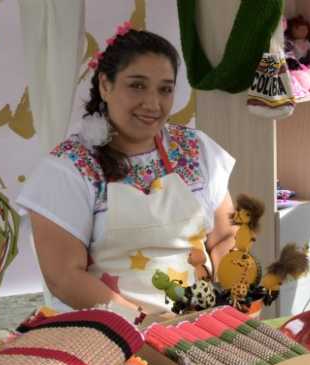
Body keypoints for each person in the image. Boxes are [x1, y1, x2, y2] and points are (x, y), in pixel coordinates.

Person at [17, 23, 236, 322]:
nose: (152, 103)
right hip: (110, 333)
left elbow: (223, 238)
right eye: (137, 85)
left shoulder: (196, 149)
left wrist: (237, 287)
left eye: (165, 89)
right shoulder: (68, 168)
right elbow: (64, 277)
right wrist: (143, 326)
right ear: (105, 85)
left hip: (200, 325)